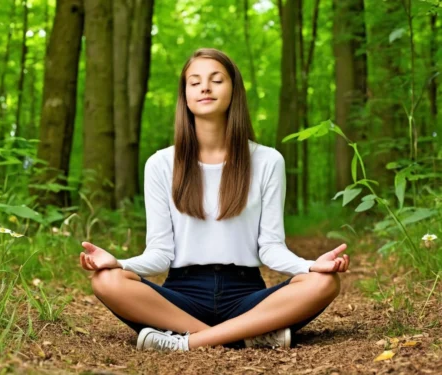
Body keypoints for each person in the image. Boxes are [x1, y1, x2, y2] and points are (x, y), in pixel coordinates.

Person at [79, 48, 350, 352]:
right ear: (186, 96)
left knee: (325, 283)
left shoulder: (267, 160)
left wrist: (312, 266)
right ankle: (247, 336)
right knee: (106, 280)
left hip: (246, 296)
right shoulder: (160, 164)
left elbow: (271, 249)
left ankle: (188, 342)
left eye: (216, 80)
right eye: (194, 83)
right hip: (181, 298)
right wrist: (119, 263)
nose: (204, 87)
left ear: (234, 90)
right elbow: (159, 253)